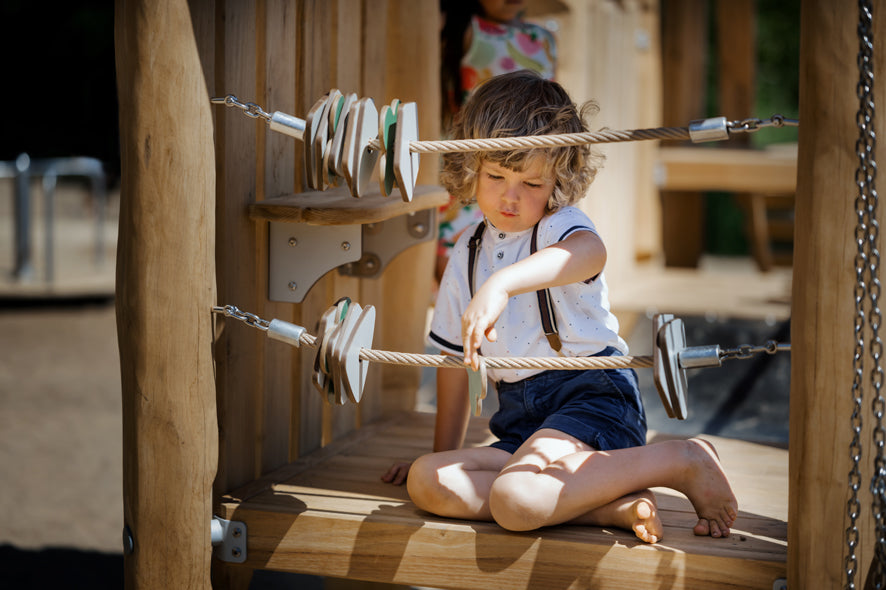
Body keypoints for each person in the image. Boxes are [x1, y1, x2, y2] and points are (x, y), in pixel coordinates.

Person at [382, 71, 738, 544]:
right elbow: (452, 361)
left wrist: (503, 285)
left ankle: (680, 459)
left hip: (592, 401)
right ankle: (606, 507)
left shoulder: (557, 227)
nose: (511, 196)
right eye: (496, 176)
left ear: (557, 178)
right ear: (471, 169)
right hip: (520, 423)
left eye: (530, 182)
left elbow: (590, 252)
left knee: (516, 500)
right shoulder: (467, 251)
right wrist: (449, 452)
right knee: (428, 480)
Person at [436, 0, 558, 283]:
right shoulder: (465, 31)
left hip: (528, 168)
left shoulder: (544, 39)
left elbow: (555, 109)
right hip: (474, 166)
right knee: (460, 262)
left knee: (522, 253)